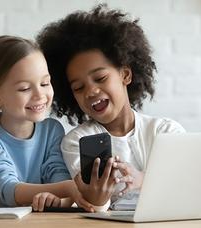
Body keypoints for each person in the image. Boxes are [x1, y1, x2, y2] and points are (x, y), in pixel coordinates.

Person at [37, 5, 185, 211]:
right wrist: (96, 198)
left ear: (126, 75)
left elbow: (186, 189)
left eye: (100, 78)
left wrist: (143, 180)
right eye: (79, 87)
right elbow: (93, 208)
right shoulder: (76, 142)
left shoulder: (166, 131)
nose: (90, 91)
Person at [0, 35, 93, 212]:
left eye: (45, 83)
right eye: (25, 88)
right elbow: (8, 189)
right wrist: (67, 188)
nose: (40, 95)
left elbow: (58, 177)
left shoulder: (51, 131)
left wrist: (56, 200)